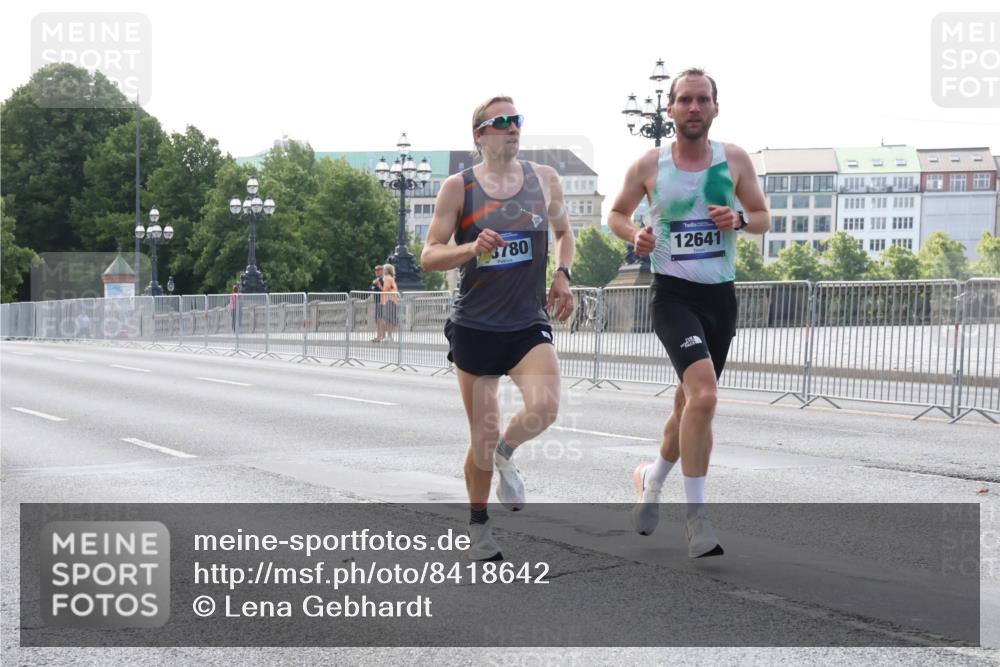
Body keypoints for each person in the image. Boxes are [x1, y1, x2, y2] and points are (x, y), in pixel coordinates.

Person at [607, 68, 769, 558]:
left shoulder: (734, 159)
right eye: (684, 100)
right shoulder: (650, 164)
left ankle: (650, 478)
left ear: (715, 108)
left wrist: (739, 219)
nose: (693, 107)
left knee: (688, 407)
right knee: (704, 396)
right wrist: (634, 235)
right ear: (670, 109)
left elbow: (762, 217)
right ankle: (697, 517)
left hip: (720, 299)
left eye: (702, 100)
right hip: (673, 296)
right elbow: (615, 214)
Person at [421, 95, 575, 561]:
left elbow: (565, 233)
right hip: (476, 327)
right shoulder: (459, 187)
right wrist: (470, 249)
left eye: (517, 120)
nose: (512, 127)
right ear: (480, 134)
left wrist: (563, 274)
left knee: (545, 408)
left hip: (526, 321)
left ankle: (509, 451)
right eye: (501, 121)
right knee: (481, 437)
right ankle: (479, 524)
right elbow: (429, 254)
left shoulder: (544, 180)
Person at [381, 263, 400, 341]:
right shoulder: (391, 278)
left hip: (389, 300)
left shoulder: (388, 278)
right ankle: (389, 336)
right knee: (389, 319)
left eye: (383, 269)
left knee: (388, 319)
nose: (382, 271)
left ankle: (389, 336)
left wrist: (380, 285)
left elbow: (385, 289)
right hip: (392, 300)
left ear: (387, 270)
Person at [369, 265, 386, 342]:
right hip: (376, 301)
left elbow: (385, 291)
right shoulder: (375, 280)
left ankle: (383, 336)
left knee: (381, 319)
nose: (377, 272)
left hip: (382, 301)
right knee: (377, 319)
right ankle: (378, 335)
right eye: (376, 271)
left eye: (379, 270)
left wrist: (379, 285)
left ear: (382, 271)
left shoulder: (383, 280)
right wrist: (373, 284)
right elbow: (371, 289)